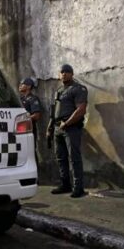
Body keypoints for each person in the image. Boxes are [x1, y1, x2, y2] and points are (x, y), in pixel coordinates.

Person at [46, 64, 88, 198]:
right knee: (61, 158)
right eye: (62, 72)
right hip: (58, 127)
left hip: (71, 127)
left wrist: (67, 123)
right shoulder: (58, 90)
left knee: (74, 158)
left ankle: (78, 188)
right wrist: (50, 127)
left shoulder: (78, 88)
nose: (64, 74)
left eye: (67, 71)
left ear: (72, 73)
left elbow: (81, 110)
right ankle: (65, 185)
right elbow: (54, 111)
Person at [19, 77, 41, 158]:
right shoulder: (20, 99)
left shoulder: (33, 99)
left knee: (30, 151)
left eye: (22, 84)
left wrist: (23, 120)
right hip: (19, 130)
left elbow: (37, 115)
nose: (20, 85)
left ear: (29, 86)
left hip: (29, 129)